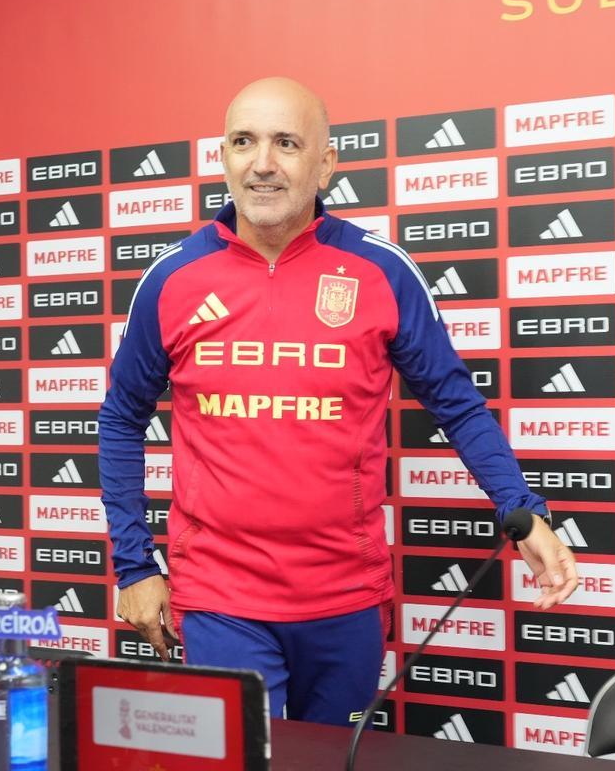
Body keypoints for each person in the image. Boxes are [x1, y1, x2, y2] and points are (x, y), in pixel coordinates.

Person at [98, 77, 578, 726]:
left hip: (345, 600)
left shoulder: (380, 270)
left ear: (325, 162)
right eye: (244, 142)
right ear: (223, 156)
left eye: (286, 144)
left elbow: (455, 404)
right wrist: (134, 564)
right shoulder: (173, 278)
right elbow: (122, 416)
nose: (262, 163)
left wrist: (524, 510)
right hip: (219, 600)